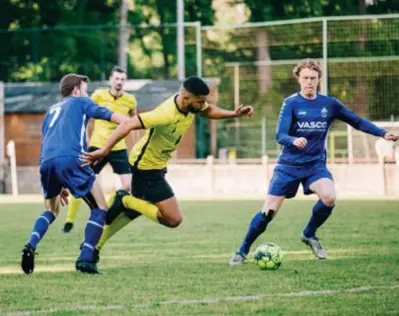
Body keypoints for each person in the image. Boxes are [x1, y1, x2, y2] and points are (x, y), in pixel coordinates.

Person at [229, 58, 398, 265]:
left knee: (329, 197)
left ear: (319, 79)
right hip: (289, 166)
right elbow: (280, 135)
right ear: (298, 79)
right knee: (269, 211)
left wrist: (382, 133)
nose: (309, 82)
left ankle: (309, 234)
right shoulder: (291, 103)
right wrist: (293, 140)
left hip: (315, 165)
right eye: (306, 78)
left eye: (313, 78)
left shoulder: (330, 104)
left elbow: (357, 121)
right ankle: (242, 250)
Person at [80, 76, 253, 260]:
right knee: (173, 218)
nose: (203, 104)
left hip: (156, 166)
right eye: (199, 101)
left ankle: (95, 247)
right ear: (186, 98)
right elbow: (128, 123)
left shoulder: (190, 105)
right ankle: (124, 200)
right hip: (145, 167)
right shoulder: (165, 114)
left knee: (137, 211)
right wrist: (104, 149)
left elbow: (208, 110)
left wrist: (234, 113)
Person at [21, 73, 126, 274]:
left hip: (46, 163)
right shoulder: (81, 102)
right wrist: (133, 121)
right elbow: (108, 115)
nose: (87, 94)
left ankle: (31, 244)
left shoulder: (51, 111)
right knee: (101, 207)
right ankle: (86, 258)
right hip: (73, 159)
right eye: (85, 90)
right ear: (76, 90)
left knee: (51, 211)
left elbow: (50, 140)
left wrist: (58, 179)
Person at [63, 66, 136, 233]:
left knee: (127, 185)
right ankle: (70, 219)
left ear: (125, 82)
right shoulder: (98, 95)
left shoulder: (130, 100)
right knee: (82, 180)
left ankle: (108, 210)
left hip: (118, 146)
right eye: (116, 78)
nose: (119, 82)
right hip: (98, 145)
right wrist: (85, 137)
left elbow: (132, 120)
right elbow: (86, 114)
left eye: (122, 79)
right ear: (111, 79)